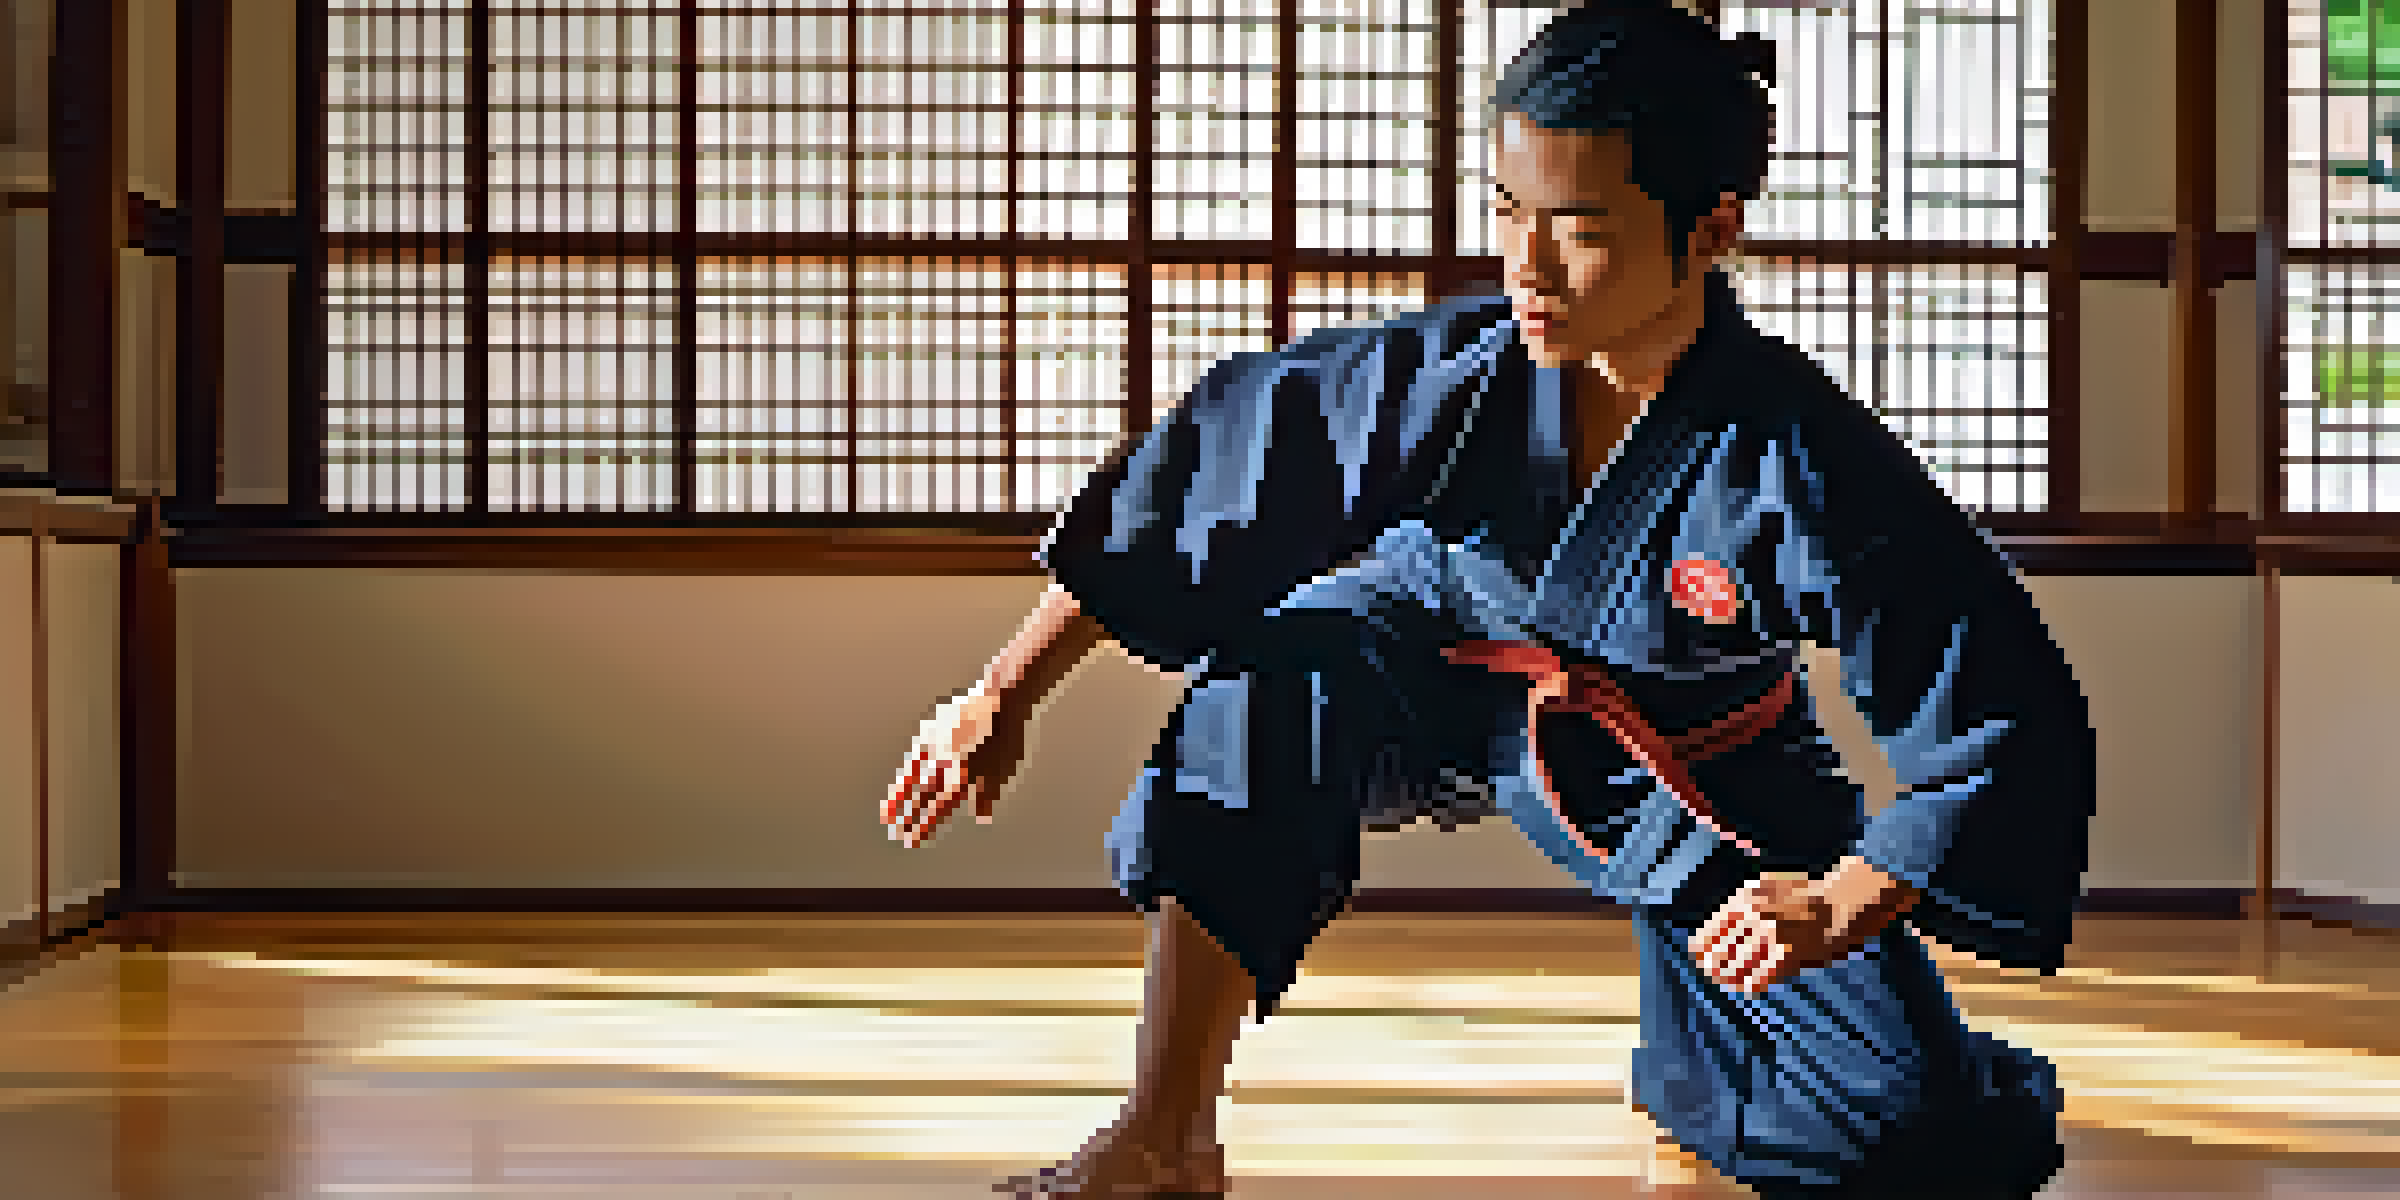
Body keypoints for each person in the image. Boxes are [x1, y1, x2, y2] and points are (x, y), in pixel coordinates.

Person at [884, 3, 2096, 1196]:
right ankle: (1163, 1137)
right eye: (1510, 212)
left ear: (1711, 227)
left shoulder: (1800, 457)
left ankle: (1689, 1065)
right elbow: (1215, 471)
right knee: (1259, 690)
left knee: (1920, 1136)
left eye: (1580, 228)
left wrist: (1835, 902)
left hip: (1688, 758)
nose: (1526, 267)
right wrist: (1000, 693)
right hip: (1429, 660)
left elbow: (1999, 703)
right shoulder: (1455, 371)